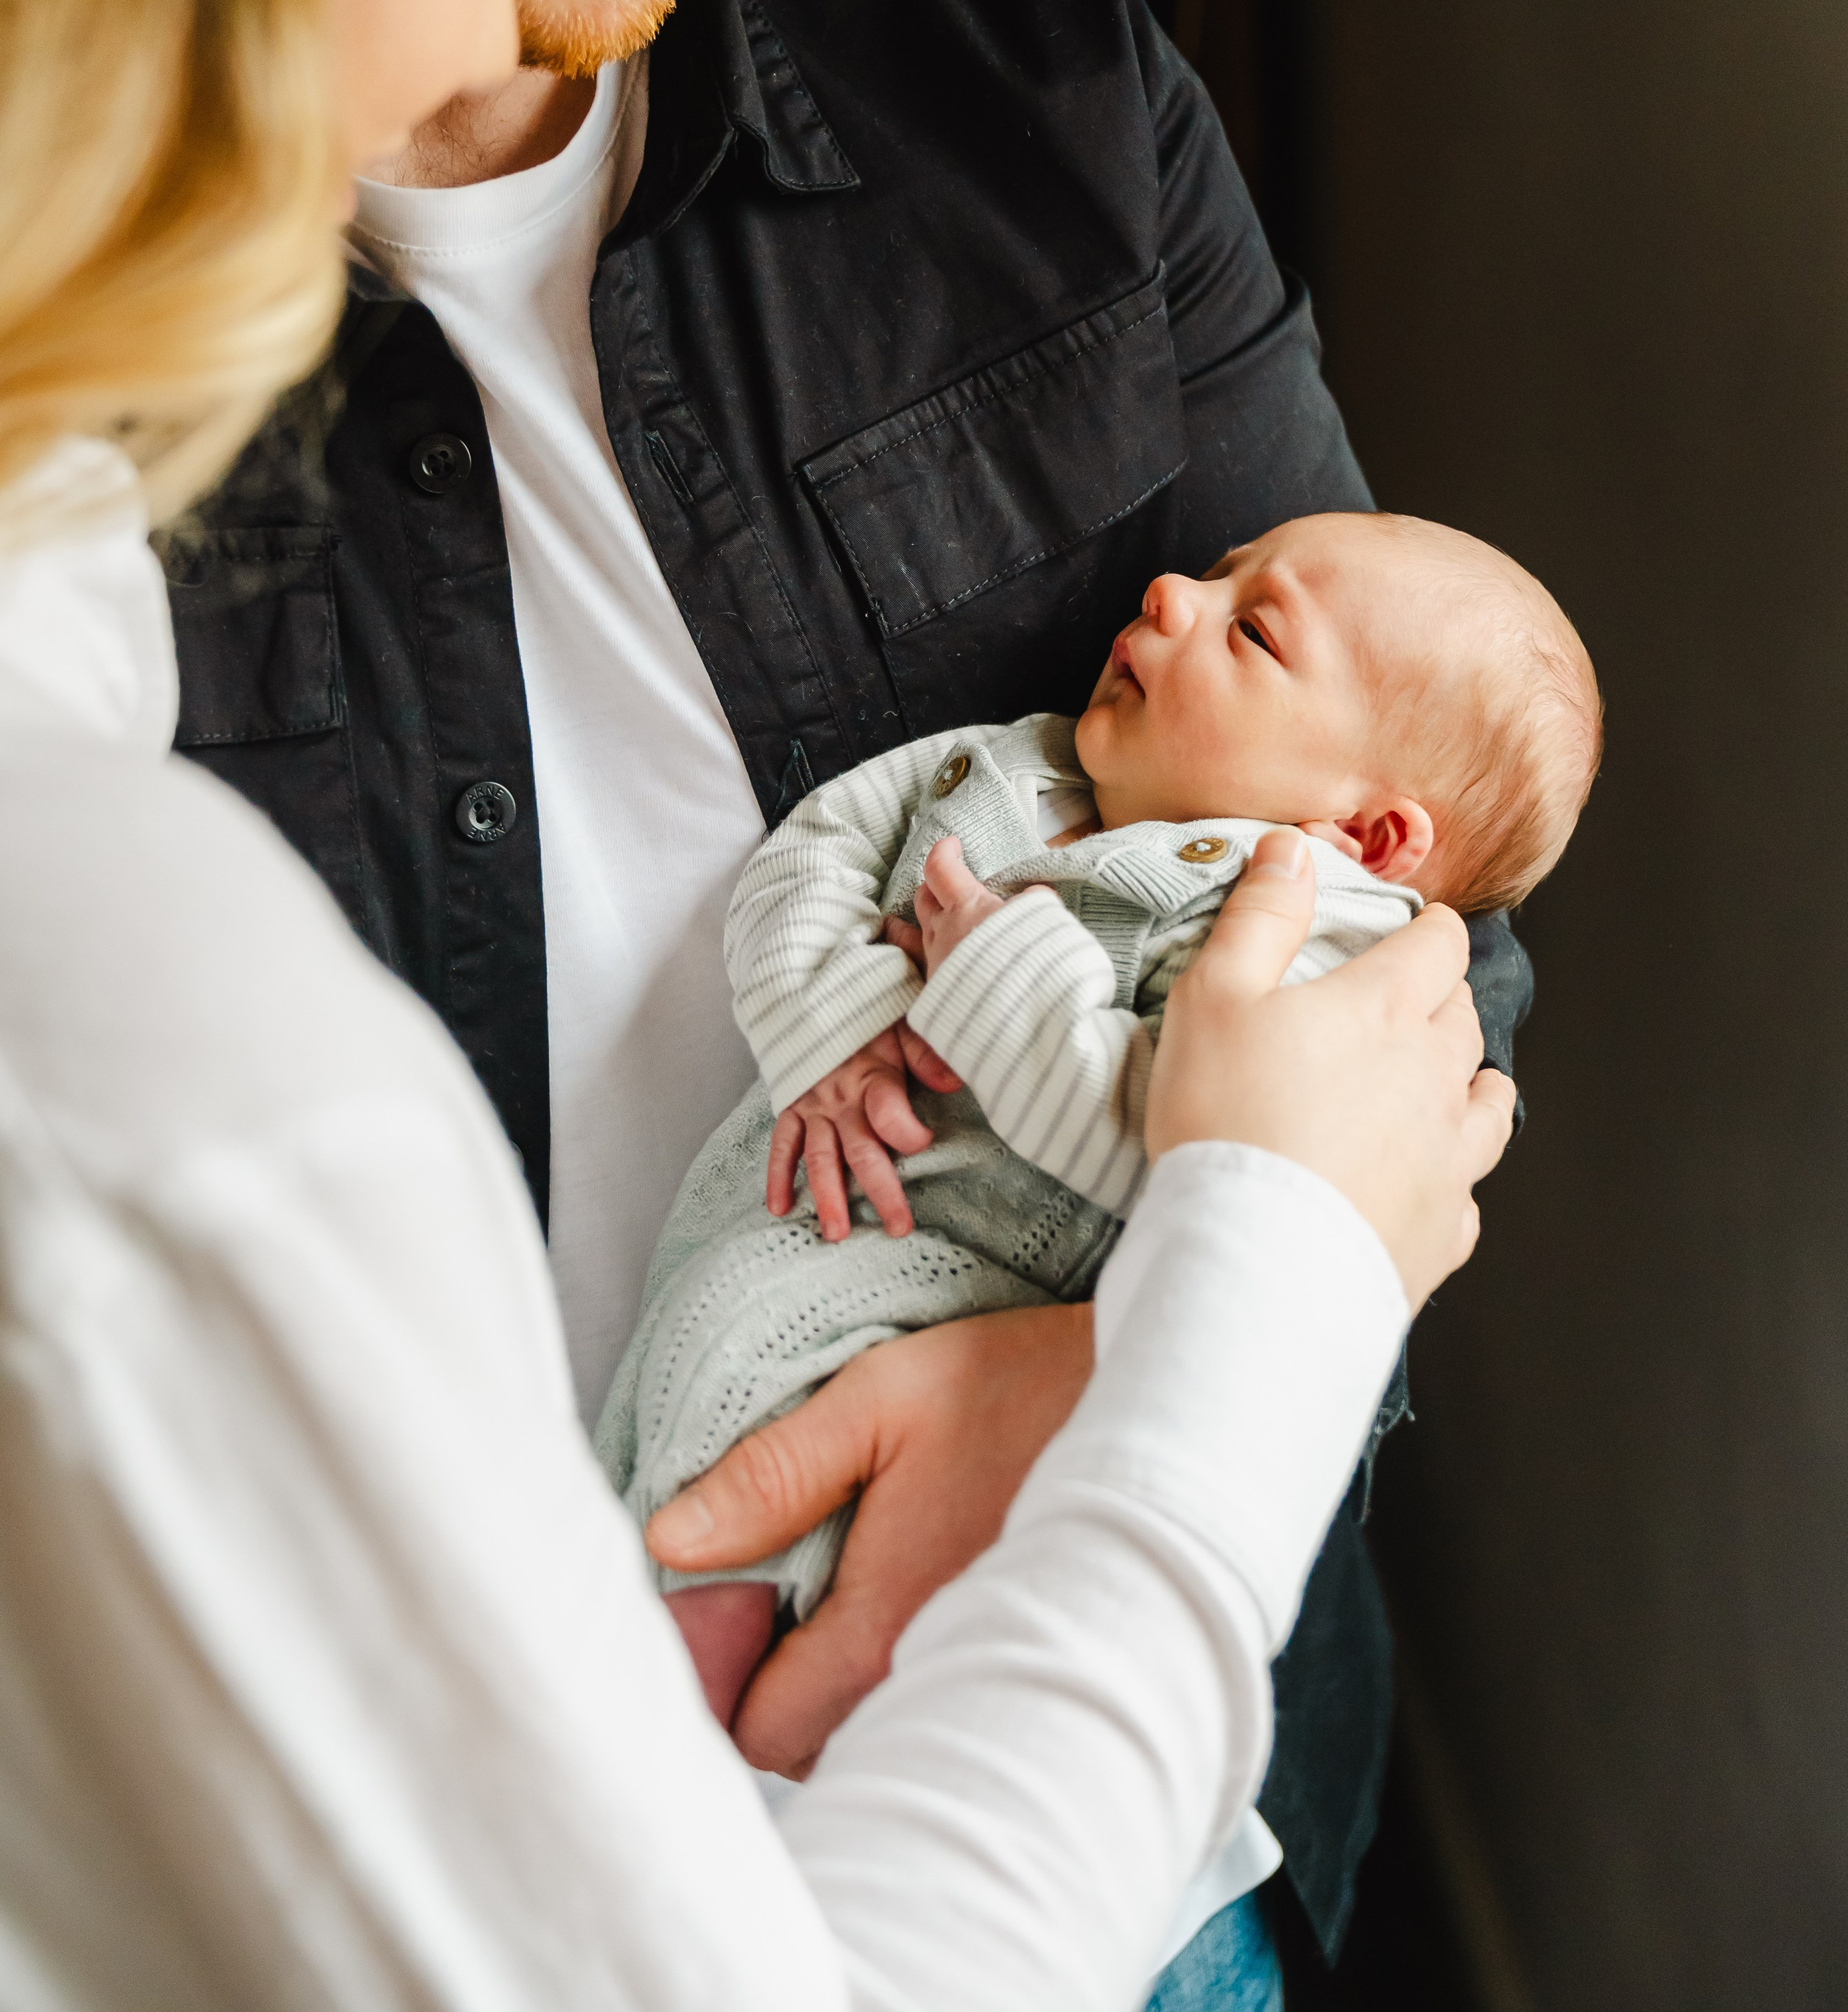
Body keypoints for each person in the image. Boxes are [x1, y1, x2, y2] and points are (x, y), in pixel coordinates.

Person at [0, 0, 1520, 2012]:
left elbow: (1420, 904)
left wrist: (1106, 1373)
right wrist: (1239, 1308)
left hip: (1146, 1827)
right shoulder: (141, 1016)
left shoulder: (1029, 47)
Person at [604, 512, 1601, 1726]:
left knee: (741, 1386)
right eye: (1218, 572)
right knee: (674, 1396)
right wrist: (838, 1022)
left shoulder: (1309, 949)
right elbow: (815, 852)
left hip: (985, 1306)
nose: (1174, 592)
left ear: (1365, 837)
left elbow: (1176, 1155)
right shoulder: (1012, 765)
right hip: (803, 1213)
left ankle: (680, 1716)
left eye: (1256, 633)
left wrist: (993, 976)